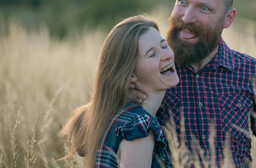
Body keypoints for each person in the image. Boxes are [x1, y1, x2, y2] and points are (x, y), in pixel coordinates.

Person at [131, 0, 256, 167]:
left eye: (204, 8)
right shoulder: (147, 67)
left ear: (228, 18)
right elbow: (91, 136)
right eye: (182, 2)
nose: (187, 18)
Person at [60, 15, 179, 168]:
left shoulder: (118, 116)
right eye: (152, 54)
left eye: (164, 46)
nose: (167, 55)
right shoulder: (138, 127)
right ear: (131, 76)